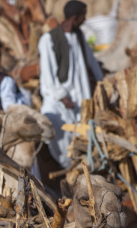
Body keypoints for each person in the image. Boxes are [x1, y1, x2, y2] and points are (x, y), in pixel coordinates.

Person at [38, 0, 103, 169]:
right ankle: (66, 168)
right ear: (74, 18)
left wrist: (101, 82)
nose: (85, 20)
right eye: (83, 16)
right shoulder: (48, 40)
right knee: (57, 131)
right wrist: (62, 97)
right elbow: (48, 76)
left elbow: (92, 63)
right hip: (58, 101)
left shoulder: (79, 36)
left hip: (80, 100)